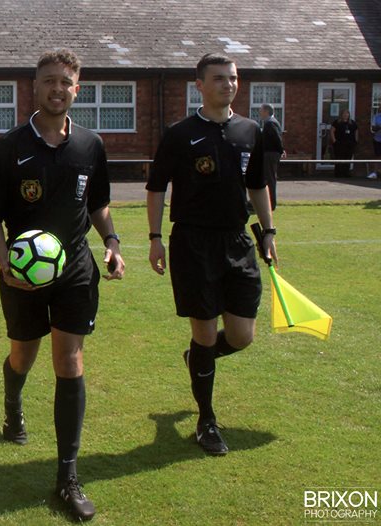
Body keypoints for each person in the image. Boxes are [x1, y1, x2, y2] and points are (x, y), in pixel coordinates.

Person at [0, 49, 125, 521]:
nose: (57, 89)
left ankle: (67, 476)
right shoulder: (9, 146)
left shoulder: (90, 145)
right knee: (24, 354)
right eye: (48, 81)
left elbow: (98, 203)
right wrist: (4, 263)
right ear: (34, 88)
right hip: (23, 275)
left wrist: (113, 242)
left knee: (69, 358)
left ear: (75, 89)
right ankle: (12, 400)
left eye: (65, 82)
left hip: (76, 268)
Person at [146, 53, 277, 459]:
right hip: (192, 244)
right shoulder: (180, 133)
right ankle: (206, 421)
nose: (229, 84)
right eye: (219, 78)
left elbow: (257, 185)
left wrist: (268, 231)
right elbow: (156, 187)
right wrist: (155, 237)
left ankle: (197, 358)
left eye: (233, 78)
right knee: (204, 332)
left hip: (236, 242)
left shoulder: (250, 130)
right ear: (199, 85)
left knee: (241, 336)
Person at [259, 103, 285, 210]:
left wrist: (281, 150)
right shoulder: (270, 123)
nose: (260, 112)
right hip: (270, 153)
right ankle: (266, 202)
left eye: (261, 110)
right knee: (267, 178)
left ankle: (271, 203)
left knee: (270, 179)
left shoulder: (270, 123)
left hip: (270, 154)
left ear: (266, 111)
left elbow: (277, 138)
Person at [330, 108, 358, 178]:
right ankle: (338, 173)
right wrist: (334, 141)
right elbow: (332, 131)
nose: (346, 115)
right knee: (339, 158)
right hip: (339, 144)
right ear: (341, 115)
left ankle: (346, 173)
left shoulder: (352, 122)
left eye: (347, 113)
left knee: (348, 158)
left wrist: (356, 140)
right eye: (344, 113)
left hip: (350, 144)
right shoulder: (337, 122)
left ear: (349, 115)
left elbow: (356, 131)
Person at [370, 110, 381, 179]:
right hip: (378, 139)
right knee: (377, 156)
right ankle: (375, 173)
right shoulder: (376, 117)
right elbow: (373, 129)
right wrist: (379, 127)